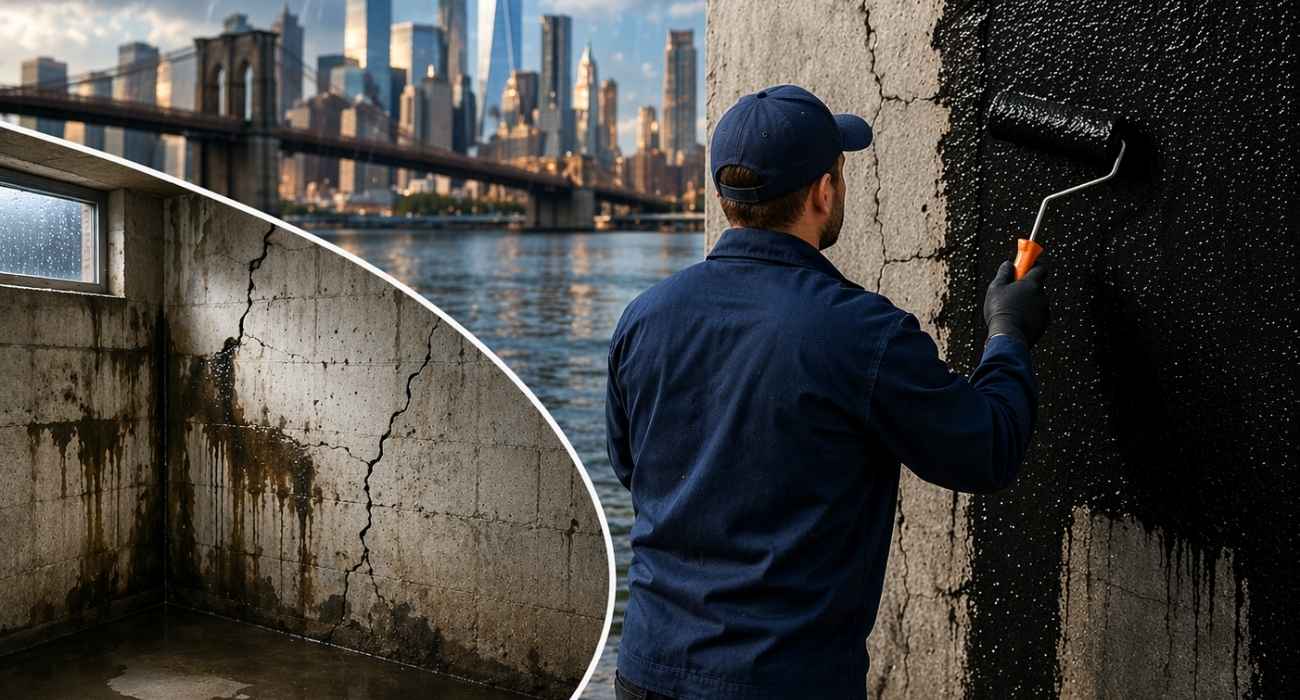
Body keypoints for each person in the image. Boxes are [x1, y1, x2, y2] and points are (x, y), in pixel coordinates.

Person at [604, 84, 1050, 699]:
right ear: (823, 191)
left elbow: (634, 469)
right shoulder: (862, 334)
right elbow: (989, 448)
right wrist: (1008, 331)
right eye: (839, 171)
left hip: (645, 672)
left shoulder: (641, 318)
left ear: (725, 195)